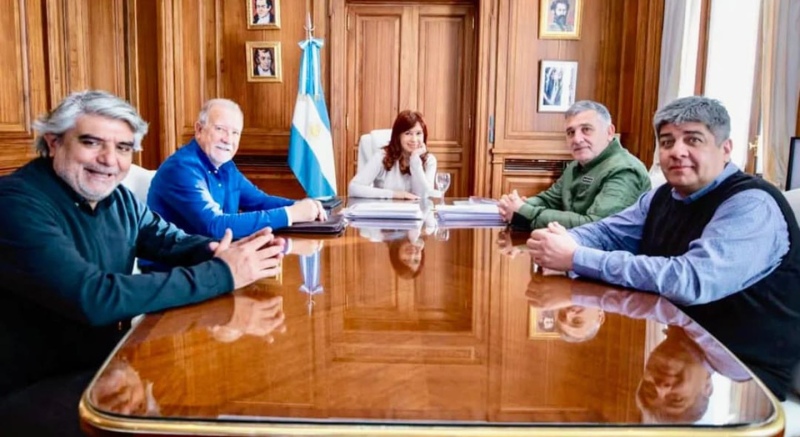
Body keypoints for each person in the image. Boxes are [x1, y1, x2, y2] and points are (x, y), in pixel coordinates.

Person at [0, 90, 286, 435]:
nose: (109, 159)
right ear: (54, 142)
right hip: (30, 387)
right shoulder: (16, 203)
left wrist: (221, 250)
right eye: (91, 143)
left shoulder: (116, 197)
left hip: (107, 366)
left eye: (122, 148)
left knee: (220, 401)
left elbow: (170, 241)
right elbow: (94, 296)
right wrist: (223, 272)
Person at [527, 96, 800, 401]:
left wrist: (575, 256)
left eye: (693, 140)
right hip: (685, 339)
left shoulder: (751, 205)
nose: (677, 151)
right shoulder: (662, 197)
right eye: (667, 142)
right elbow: (606, 232)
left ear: (725, 149)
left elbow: (689, 281)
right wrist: (562, 240)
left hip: (745, 376)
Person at [147, 98, 325, 243]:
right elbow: (214, 226)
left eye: (235, 133)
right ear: (199, 130)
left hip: (214, 263)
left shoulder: (225, 166)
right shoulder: (181, 168)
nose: (228, 140)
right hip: (176, 273)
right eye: (220, 129)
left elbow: (259, 201)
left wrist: (302, 206)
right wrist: (291, 214)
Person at [497, 100, 650, 231]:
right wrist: (518, 205)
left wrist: (525, 212)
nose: (577, 139)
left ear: (610, 132)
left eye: (586, 130)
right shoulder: (576, 166)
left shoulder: (625, 170)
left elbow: (597, 226)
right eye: (570, 132)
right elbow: (550, 199)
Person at [348, 110, 437, 200]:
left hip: (417, 213)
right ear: (398, 136)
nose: (414, 139)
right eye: (408, 133)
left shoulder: (429, 160)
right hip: (385, 212)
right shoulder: (382, 156)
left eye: (418, 133)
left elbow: (426, 195)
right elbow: (353, 188)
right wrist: (395, 194)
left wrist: (415, 160)